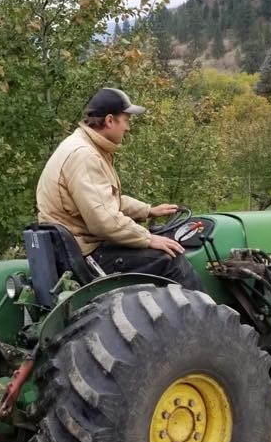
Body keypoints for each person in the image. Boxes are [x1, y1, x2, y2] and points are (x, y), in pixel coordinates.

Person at [36, 87, 204, 290]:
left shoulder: (82, 145)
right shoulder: (85, 156)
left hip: (73, 248)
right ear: (109, 120)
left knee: (156, 244)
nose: (128, 127)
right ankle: (206, 311)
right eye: (126, 120)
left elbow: (105, 201)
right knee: (172, 259)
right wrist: (148, 238)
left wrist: (148, 210)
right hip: (86, 254)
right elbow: (104, 222)